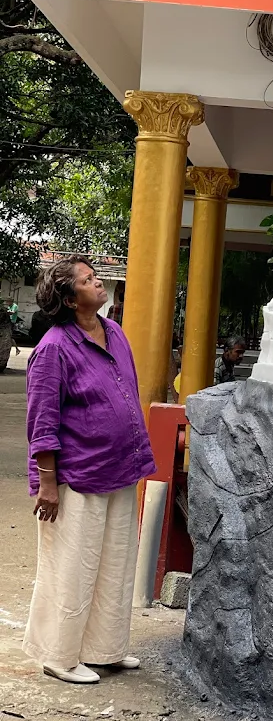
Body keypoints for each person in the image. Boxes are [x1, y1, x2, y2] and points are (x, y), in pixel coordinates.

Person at [22, 255, 157, 685]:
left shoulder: (114, 332)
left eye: (97, 278)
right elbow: (42, 422)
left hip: (119, 467)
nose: (99, 284)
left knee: (115, 565)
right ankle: (58, 656)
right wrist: (47, 483)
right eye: (88, 280)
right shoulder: (53, 349)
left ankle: (105, 649)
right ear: (69, 299)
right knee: (72, 568)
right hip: (76, 476)